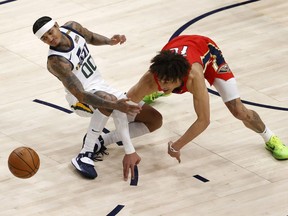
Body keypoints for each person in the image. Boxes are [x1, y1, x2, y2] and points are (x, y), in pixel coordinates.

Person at [32, 16, 162, 180]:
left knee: (154, 119)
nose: (50, 39)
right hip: (80, 100)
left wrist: (109, 41)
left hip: (102, 87)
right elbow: (81, 94)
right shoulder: (56, 61)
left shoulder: (73, 27)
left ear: (57, 26)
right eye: (44, 38)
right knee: (112, 102)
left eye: (50, 32)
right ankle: (84, 154)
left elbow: (91, 37)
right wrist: (114, 105)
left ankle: (101, 141)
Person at [126, 35, 288, 163]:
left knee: (239, 111)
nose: (161, 83)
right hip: (179, 50)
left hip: (209, 55)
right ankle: (162, 92)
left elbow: (203, 120)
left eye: (166, 83)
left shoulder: (194, 77)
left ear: (181, 78)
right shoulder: (151, 78)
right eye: (160, 81)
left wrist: (177, 145)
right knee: (146, 90)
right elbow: (124, 102)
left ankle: (270, 137)